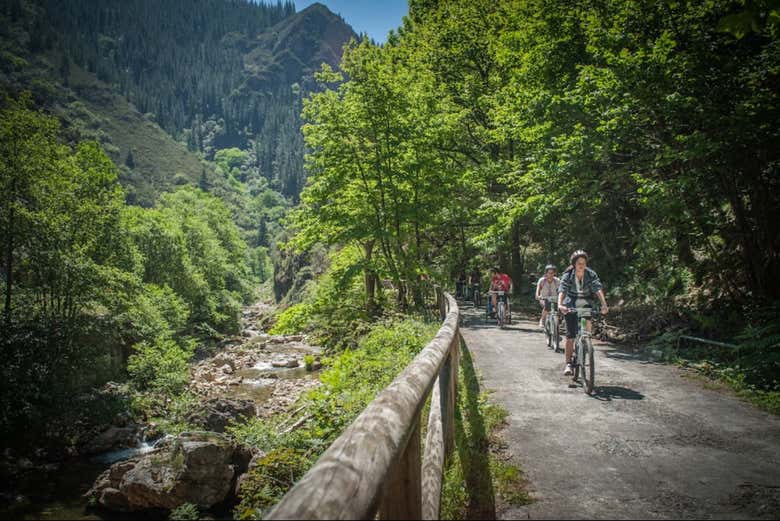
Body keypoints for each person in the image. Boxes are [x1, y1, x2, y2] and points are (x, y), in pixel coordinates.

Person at [557, 250, 608, 376]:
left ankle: (585, 344)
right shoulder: (568, 274)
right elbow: (562, 289)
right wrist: (560, 304)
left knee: (587, 327)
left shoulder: (590, 274)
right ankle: (568, 363)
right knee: (570, 336)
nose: (582, 265)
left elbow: (598, 289)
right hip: (571, 302)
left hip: (586, 301)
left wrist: (604, 304)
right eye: (579, 263)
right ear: (574, 264)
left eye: (584, 263)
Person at [536, 264, 560, 328]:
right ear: (546, 273)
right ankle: (542, 320)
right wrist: (538, 296)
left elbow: (560, 290)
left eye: (552, 273)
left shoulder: (557, 280)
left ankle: (556, 323)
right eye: (549, 273)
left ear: (554, 273)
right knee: (547, 305)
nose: (550, 274)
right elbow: (538, 290)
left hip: (554, 298)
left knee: (559, 309)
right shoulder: (542, 280)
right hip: (544, 298)